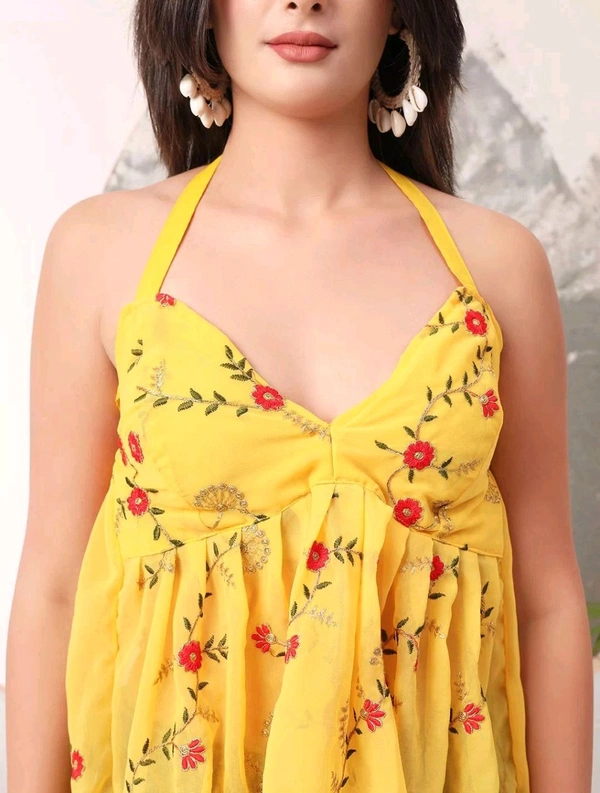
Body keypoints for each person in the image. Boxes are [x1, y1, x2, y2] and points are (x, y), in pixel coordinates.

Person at [6, 0, 594, 791]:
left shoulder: (499, 267)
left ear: (398, 14)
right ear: (202, 12)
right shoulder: (101, 252)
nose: (303, 1)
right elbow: (54, 586)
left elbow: (547, 600)